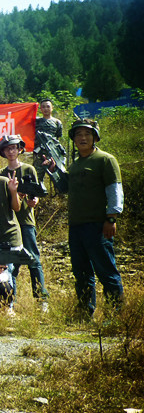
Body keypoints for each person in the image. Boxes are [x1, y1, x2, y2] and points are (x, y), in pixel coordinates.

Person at [50, 119, 123, 316]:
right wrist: (54, 170)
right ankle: (84, 311)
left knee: (106, 270)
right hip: (76, 226)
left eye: (87, 134)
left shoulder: (105, 159)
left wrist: (111, 218)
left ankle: (116, 314)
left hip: (97, 225)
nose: (83, 138)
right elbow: (65, 188)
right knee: (81, 272)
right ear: (73, 139)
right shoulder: (75, 165)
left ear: (95, 137)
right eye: (78, 135)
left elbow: (115, 190)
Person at [0, 135, 48, 308]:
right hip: (9, 223)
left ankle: (42, 300)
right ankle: (10, 300)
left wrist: (34, 200)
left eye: (14, 148)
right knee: (11, 264)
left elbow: (36, 193)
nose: (11, 151)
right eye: (7, 148)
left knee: (33, 260)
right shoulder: (0, 174)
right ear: (3, 152)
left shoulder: (28, 169)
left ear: (20, 149)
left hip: (26, 221)